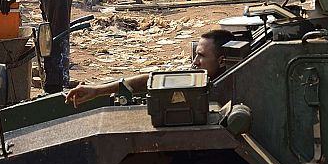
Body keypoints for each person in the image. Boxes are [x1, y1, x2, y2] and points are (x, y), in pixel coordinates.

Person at [66, 29, 233, 107]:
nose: (195, 62)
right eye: (196, 55)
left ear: (222, 61)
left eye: (202, 56)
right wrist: (97, 90)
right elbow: (152, 80)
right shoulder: (202, 79)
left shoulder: (231, 87)